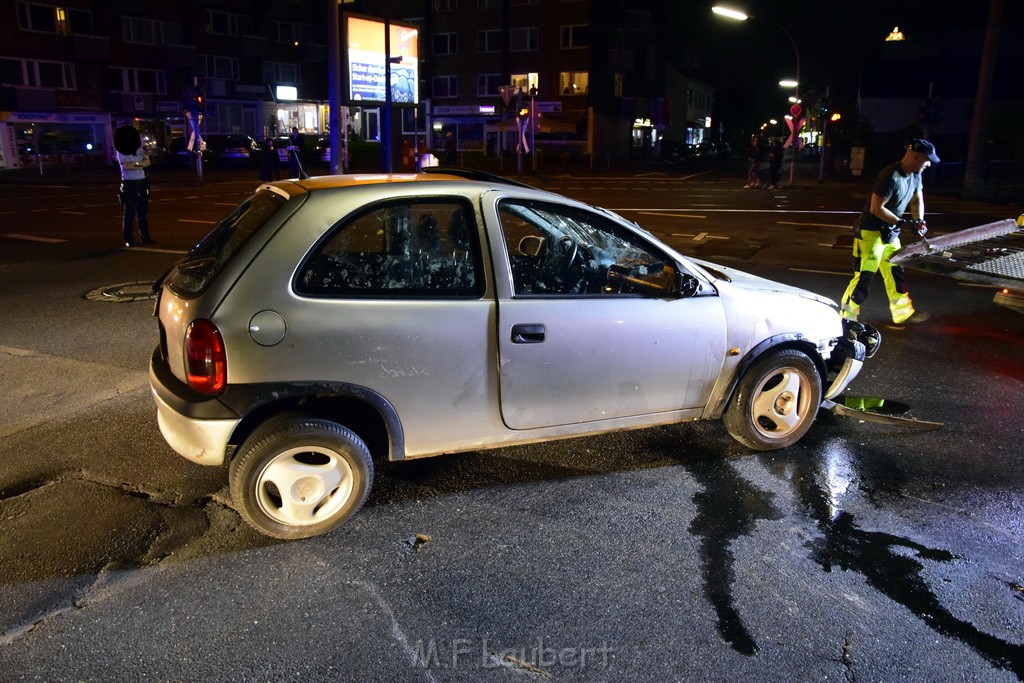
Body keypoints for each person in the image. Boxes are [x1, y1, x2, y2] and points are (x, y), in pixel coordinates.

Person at [840, 139, 940, 326]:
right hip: (871, 233)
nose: (928, 165)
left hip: (891, 233)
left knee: (896, 273)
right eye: (927, 160)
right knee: (864, 277)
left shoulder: (915, 174)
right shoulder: (890, 176)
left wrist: (919, 221)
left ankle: (903, 313)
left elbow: (917, 201)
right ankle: (847, 317)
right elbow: (876, 208)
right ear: (917, 157)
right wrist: (903, 223)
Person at [114, 125, 154, 248]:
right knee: (129, 213)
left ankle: (145, 237)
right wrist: (140, 164)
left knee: (142, 212)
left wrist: (136, 164)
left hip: (142, 183)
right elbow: (127, 167)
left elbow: (148, 162)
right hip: (129, 184)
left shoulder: (138, 150)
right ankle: (128, 239)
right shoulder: (121, 151)